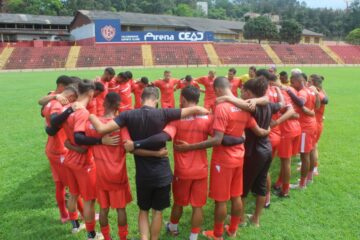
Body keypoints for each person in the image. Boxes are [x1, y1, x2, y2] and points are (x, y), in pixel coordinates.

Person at [123, 86, 245, 240]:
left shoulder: (176, 120)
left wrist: (137, 144)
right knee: (198, 206)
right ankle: (193, 237)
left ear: (183, 99)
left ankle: (173, 227)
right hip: (201, 170)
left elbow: (164, 136)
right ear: (198, 99)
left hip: (183, 171)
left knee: (179, 203)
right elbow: (221, 138)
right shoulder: (208, 118)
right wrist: (240, 138)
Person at [88, 87, 209, 240]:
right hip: (162, 173)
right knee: (157, 212)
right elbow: (192, 110)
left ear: (140, 98)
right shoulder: (164, 113)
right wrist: (204, 109)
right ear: (157, 99)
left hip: (143, 174)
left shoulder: (127, 115)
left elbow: (102, 129)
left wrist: (90, 115)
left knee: (143, 210)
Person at [173, 77, 270, 239]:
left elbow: (217, 139)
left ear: (217, 90)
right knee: (236, 195)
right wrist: (265, 131)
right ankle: (232, 230)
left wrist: (188, 147)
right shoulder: (243, 106)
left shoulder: (222, 108)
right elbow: (256, 129)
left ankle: (217, 234)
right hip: (239, 157)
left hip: (223, 160)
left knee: (221, 200)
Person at [50, 80, 117, 239]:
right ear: (91, 93)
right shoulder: (82, 112)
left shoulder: (67, 108)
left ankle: (74, 225)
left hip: (69, 158)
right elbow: (80, 138)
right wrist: (101, 141)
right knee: (89, 200)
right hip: (83, 163)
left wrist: (70, 145)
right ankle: (91, 234)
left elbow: (54, 126)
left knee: (73, 194)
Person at [42, 86, 79, 223]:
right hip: (60, 150)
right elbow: (53, 124)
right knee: (73, 186)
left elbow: (41, 105)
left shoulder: (51, 99)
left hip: (52, 148)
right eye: (73, 99)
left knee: (60, 185)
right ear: (70, 96)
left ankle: (64, 215)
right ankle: (78, 217)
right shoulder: (58, 105)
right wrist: (70, 109)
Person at [286, 73, 320, 189]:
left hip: (305, 127)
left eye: (293, 82)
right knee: (310, 151)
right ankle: (309, 178)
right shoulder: (310, 91)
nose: (291, 84)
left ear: (299, 82)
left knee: (304, 156)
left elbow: (300, 102)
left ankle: (302, 185)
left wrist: (289, 92)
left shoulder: (303, 92)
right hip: (312, 124)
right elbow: (316, 106)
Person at [309, 74, 328, 175]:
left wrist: (316, 92)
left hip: (316, 124)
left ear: (314, 83)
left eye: (309, 81)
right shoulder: (321, 91)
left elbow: (325, 100)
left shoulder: (318, 93)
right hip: (317, 123)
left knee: (313, 147)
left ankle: (314, 169)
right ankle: (311, 167)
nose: (307, 83)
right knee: (312, 147)